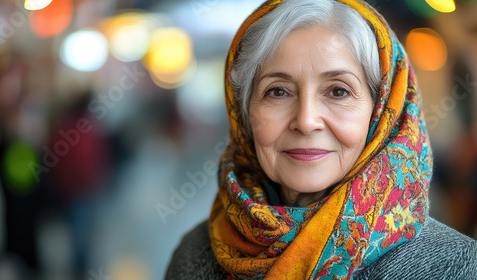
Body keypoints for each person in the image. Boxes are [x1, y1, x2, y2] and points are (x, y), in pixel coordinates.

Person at [165, 0, 477, 279]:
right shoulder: (195, 256)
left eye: (338, 91)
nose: (305, 120)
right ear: (244, 113)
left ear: (381, 114)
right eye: (277, 91)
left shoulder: (452, 266)